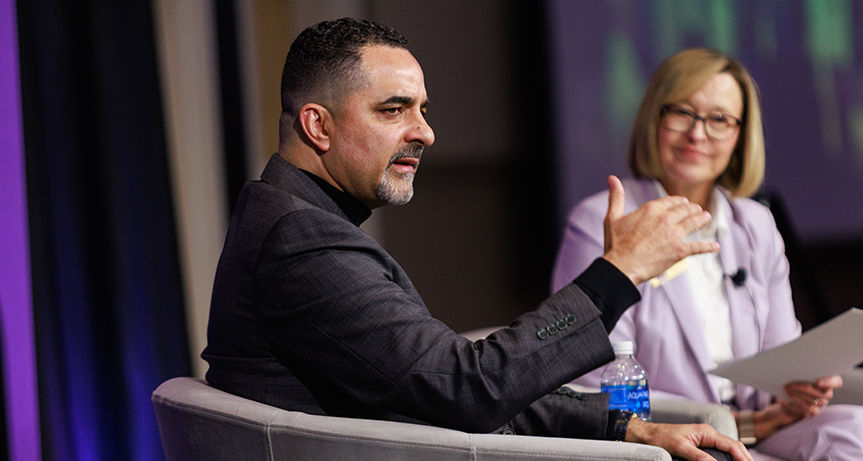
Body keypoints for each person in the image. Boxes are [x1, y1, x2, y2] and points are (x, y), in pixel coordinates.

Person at [202, 18, 753, 461]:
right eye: (393, 110)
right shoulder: (303, 243)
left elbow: (451, 380)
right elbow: (470, 390)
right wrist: (619, 272)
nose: (425, 132)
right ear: (318, 126)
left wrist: (624, 429)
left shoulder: (296, 221)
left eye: (423, 110)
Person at [551, 48, 863, 461]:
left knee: (853, 425)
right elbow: (595, 380)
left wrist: (798, 388)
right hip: (671, 434)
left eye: (719, 120)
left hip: (760, 428)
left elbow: (782, 354)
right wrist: (730, 424)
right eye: (682, 113)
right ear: (654, 119)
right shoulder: (602, 219)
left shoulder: (755, 223)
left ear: (739, 136)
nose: (698, 134)